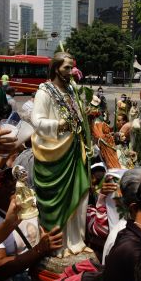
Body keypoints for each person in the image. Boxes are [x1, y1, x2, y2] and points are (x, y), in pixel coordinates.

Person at [31, 52, 93, 256]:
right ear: (56, 68)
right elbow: (37, 121)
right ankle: (58, 246)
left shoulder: (72, 91)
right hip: (56, 155)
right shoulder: (44, 92)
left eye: (72, 67)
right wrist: (59, 125)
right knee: (59, 199)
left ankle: (76, 240)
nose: (71, 71)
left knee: (79, 194)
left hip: (74, 151)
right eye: (66, 67)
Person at [0, 168, 63, 281]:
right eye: (3, 181)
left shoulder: (29, 204)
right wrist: (40, 249)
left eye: (12, 177)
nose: (11, 183)